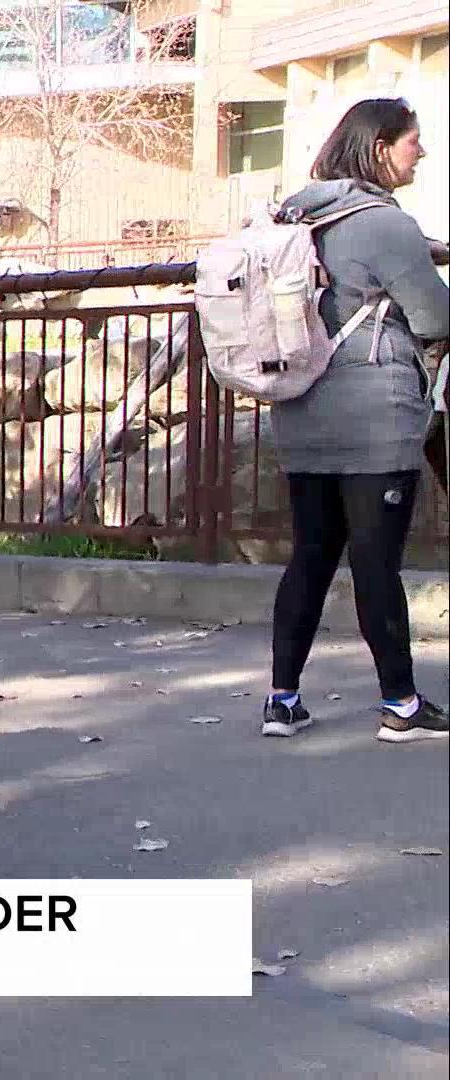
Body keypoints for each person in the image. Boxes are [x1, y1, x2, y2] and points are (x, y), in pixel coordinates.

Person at [261, 97, 448, 743]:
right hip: (375, 419)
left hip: (302, 411)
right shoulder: (387, 226)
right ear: (378, 147)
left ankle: (282, 701)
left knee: (311, 556)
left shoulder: (297, 214)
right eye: (413, 141)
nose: (420, 152)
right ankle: (400, 703)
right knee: (375, 563)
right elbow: (436, 319)